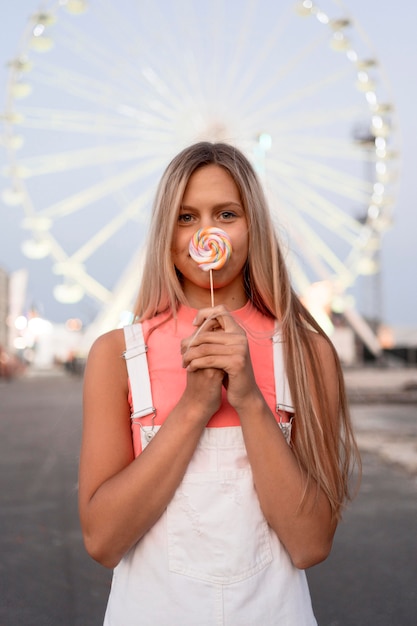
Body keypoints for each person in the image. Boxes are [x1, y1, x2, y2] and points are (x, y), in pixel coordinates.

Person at [79, 141, 360, 625]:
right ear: (165, 232)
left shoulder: (308, 353)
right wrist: (193, 407)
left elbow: (311, 543)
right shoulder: (117, 356)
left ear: (253, 227)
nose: (205, 232)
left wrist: (249, 399)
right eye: (186, 218)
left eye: (226, 214)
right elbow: (103, 541)